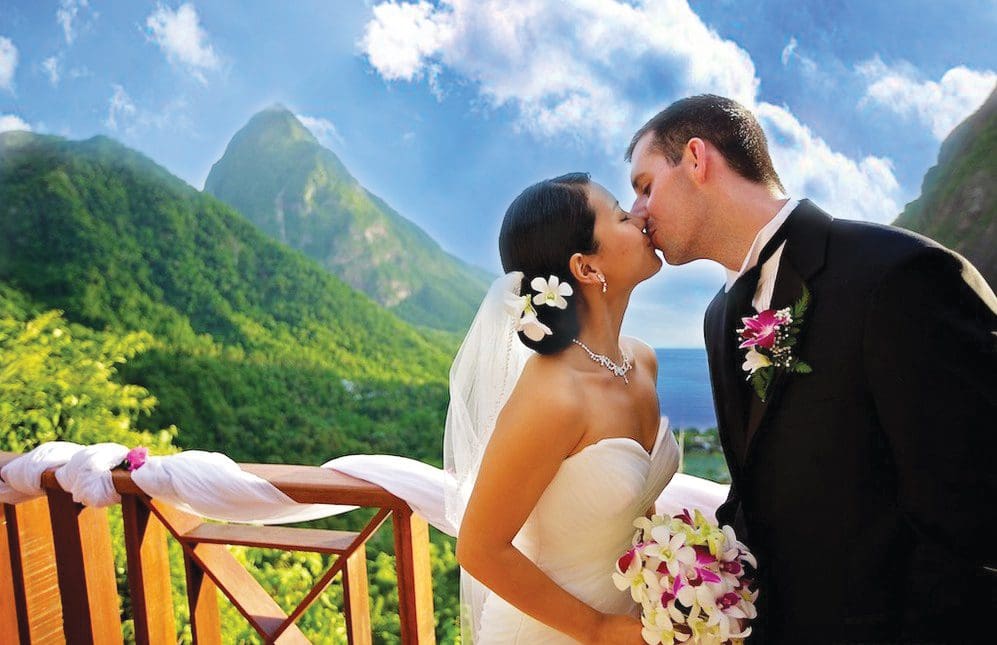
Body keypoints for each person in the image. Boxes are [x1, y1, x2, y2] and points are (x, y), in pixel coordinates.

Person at [626, 94, 997, 643]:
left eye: (645, 185)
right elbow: (757, 487)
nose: (637, 211)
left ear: (697, 159)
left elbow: (975, 516)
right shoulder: (718, 315)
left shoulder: (900, 275)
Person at [451, 172, 674, 643]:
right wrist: (597, 629)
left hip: (634, 623)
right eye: (620, 215)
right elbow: (479, 549)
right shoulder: (554, 394)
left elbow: (638, 508)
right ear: (586, 268)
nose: (639, 217)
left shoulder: (643, 362)